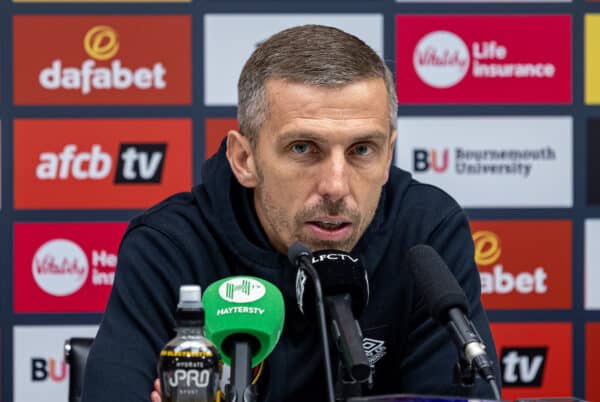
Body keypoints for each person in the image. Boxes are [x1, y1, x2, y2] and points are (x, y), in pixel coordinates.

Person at [82, 25, 500, 402]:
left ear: (388, 154)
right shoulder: (170, 247)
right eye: (303, 148)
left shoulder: (426, 232)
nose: (336, 186)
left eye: (361, 151)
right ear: (243, 159)